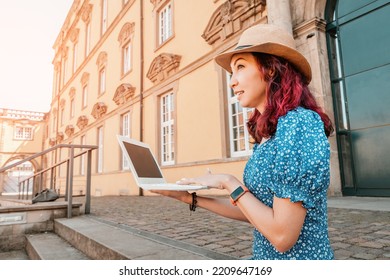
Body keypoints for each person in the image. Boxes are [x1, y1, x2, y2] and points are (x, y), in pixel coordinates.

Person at [152, 24, 334, 260]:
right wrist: (191, 198)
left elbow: (282, 236)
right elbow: (257, 211)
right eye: (231, 72)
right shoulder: (270, 134)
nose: (232, 82)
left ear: (270, 69)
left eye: (240, 67)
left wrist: (228, 182)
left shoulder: (298, 124)